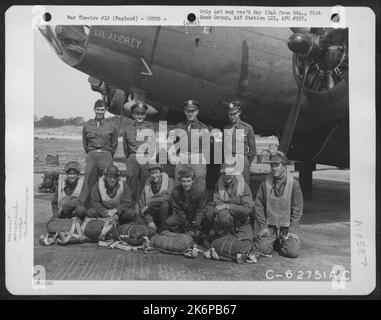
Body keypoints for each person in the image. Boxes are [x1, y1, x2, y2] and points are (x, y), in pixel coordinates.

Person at [253, 151, 303, 258]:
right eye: (272, 165)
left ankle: (282, 242)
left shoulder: (294, 184)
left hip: (286, 228)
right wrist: (263, 227)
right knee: (262, 249)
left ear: (284, 166)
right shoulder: (265, 183)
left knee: (292, 252)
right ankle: (274, 241)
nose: (274, 168)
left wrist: (292, 230)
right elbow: (258, 206)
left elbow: (297, 210)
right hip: (270, 227)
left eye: (277, 165)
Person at [200, 163, 254, 241]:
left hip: (241, 221)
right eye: (225, 173)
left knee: (246, 242)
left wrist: (227, 206)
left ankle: (231, 234)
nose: (227, 175)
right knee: (219, 215)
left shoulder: (243, 186)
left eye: (230, 173)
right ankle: (226, 233)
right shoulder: (218, 185)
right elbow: (218, 205)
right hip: (226, 221)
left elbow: (246, 209)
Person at [80, 99, 118, 205]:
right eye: (98, 109)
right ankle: (89, 206)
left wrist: (109, 155)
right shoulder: (87, 125)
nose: (100, 112)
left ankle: (106, 204)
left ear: (105, 110)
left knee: (107, 180)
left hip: (106, 155)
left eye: (102, 110)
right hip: (92, 155)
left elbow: (114, 143)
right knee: (89, 181)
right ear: (94, 110)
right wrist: (91, 153)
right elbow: (85, 142)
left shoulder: (111, 125)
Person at [171, 100, 210, 193]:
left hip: (197, 157)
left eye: (193, 111)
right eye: (188, 111)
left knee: (199, 181)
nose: (190, 113)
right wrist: (176, 156)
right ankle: (178, 205)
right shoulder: (179, 126)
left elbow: (207, 147)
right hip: (183, 156)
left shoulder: (203, 128)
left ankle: (199, 205)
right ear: (184, 112)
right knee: (179, 181)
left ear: (197, 111)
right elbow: (175, 143)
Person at [123, 102, 155, 207]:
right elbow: (125, 146)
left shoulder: (150, 128)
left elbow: (152, 146)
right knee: (131, 184)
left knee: (145, 185)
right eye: (137, 114)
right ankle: (130, 208)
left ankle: (142, 209)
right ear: (133, 115)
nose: (139, 116)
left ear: (145, 115)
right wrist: (130, 158)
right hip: (133, 158)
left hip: (145, 158)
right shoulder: (127, 128)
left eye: (142, 114)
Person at [223, 100, 256, 185]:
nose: (232, 116)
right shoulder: (226, 128)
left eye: (234, 114)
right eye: (230, 114)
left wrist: (246, 162)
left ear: (239, 112)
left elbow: (253, 150)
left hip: (242, 160)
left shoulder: (248, 128)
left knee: (243, 185)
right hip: (229, 160)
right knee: (229, 185)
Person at [165, 167, 207, 234]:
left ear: (193, 180)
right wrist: (186, 223)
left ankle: (204, 233)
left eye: (188, 181)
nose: (186, 184)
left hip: (195, 215)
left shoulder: (200, 191)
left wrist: (196, 222)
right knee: (170, 222)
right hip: (183, 216)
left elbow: (201, 209)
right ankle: (180, 232)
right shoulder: (176, 192)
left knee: (208, 214)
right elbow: (177, 209)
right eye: (184, 181)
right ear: (180, 181)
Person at [139, 164, 174, 232]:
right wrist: (150, 221)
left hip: (166, 213)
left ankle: (164, 229)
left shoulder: (170, 181)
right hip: (152, 214)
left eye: (156, 172)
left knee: (165, 205)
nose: (154, 175)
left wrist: (150, 202)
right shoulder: (147, 184)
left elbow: (168, 197)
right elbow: (142, 205)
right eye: (152, 173)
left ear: (160, 172)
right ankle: (153, 226)